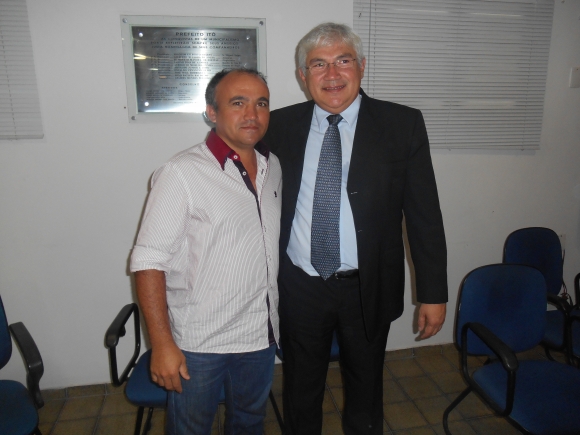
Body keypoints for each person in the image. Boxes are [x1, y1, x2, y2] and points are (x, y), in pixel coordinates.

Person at [263, 23, 448, 435]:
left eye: (343, 61)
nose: (332, 74)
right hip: (300, 285)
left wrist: (433, 293)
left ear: (362, 66)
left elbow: (424, 215)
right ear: (303, 75)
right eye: (319, 64)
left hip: (367, 287)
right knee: (300, 389)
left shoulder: (402, 124)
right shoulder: (279, 125)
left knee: (366, 391)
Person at [130, 69, 282, 435]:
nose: (252, 114)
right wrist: (161, 345)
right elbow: (148, 261)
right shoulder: (181, 172)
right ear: (212, 112)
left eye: (261, 103)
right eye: (238, 103)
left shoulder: (273, 166)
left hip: (260, 335)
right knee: (190, 430)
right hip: (200, 344)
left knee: (249, 423)